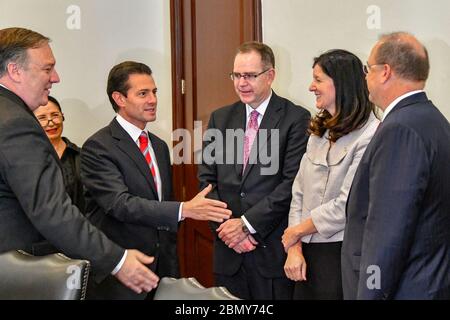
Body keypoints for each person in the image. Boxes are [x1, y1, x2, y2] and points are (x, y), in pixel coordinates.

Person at [0, 27, 159, 295]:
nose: (56, 78)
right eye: (47, 68)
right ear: (16, 71)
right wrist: (117, 260)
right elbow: (51, 211)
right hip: (19, 275)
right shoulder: (16, 123)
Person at [80, 61, 232, 299]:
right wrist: (185, 209)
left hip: (163, 270)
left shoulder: (159, 146)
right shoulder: (98, 147)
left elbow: (160, 203)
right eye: (143, 93)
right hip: (121, 273)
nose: (153, 100)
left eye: (154, 92)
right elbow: (120, 204)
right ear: (119, 99)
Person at [197, 41, 311, 299]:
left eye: (249, 75)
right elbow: (206, 181)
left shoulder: (295, 118)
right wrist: (228, 231)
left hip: (270, 251)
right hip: (228, 255)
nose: (241, 83)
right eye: (236, 75)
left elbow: (292, 184)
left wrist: (247, 225)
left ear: (270, 76)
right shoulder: (220, 118)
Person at [341, 32, 450, 299]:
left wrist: (370, 294)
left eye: (368, 69)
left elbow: (387, 232)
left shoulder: (399, 129)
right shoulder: (434, 120)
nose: (365, 77)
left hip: (404, 288)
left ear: (385, 72)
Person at [281, 49, 379, 300]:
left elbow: (347, 205)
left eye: (318, 79)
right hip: (303, 253)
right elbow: (298, 192)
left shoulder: (371, 134)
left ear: (342, 83)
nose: (311, 86)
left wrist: (296, 231)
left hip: (341, 253)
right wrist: (294, 247)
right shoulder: (318, 130)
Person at [33, 96, 85, 212]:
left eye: (55, 115)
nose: (51, 123)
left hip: (81, 225)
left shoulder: (82, 155)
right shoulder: (27, 159)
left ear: (63, 116)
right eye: (42, 118)